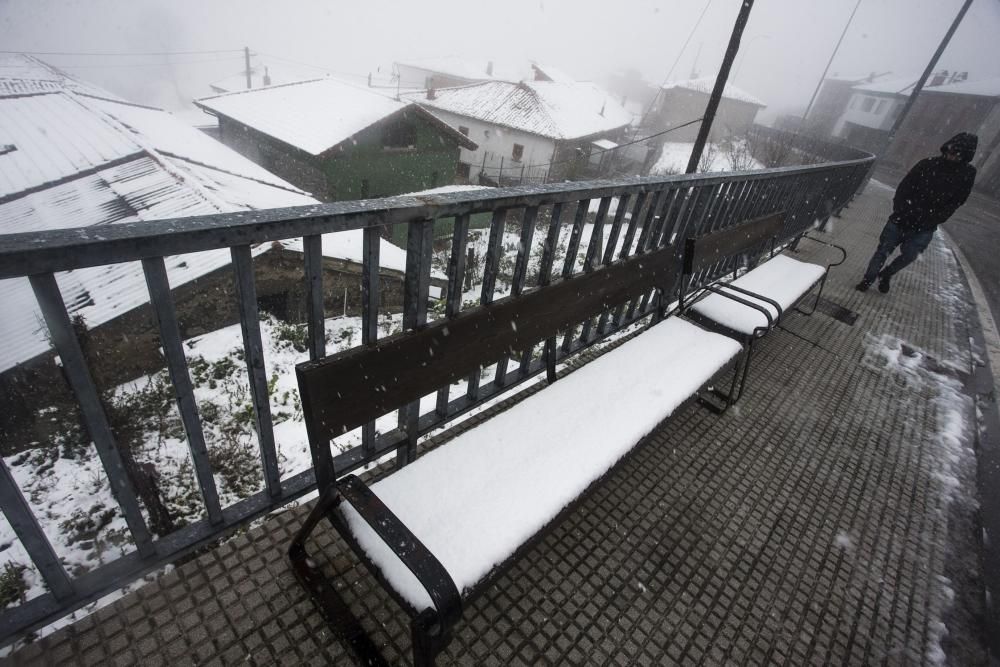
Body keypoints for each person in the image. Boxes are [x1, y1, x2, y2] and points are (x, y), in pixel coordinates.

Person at [857, 132, 977, 293]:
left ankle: (887, 274)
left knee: (910, 255)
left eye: (957, 154)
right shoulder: (927, 164)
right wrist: (901, 209)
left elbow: (957, 201)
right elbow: (905, 186)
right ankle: (867, 279)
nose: (951, 156)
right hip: (901, 217)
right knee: (883, 250)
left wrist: (935, 218)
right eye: (950, 151)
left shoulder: (967, 174)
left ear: (965, 156)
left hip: (925, 225)